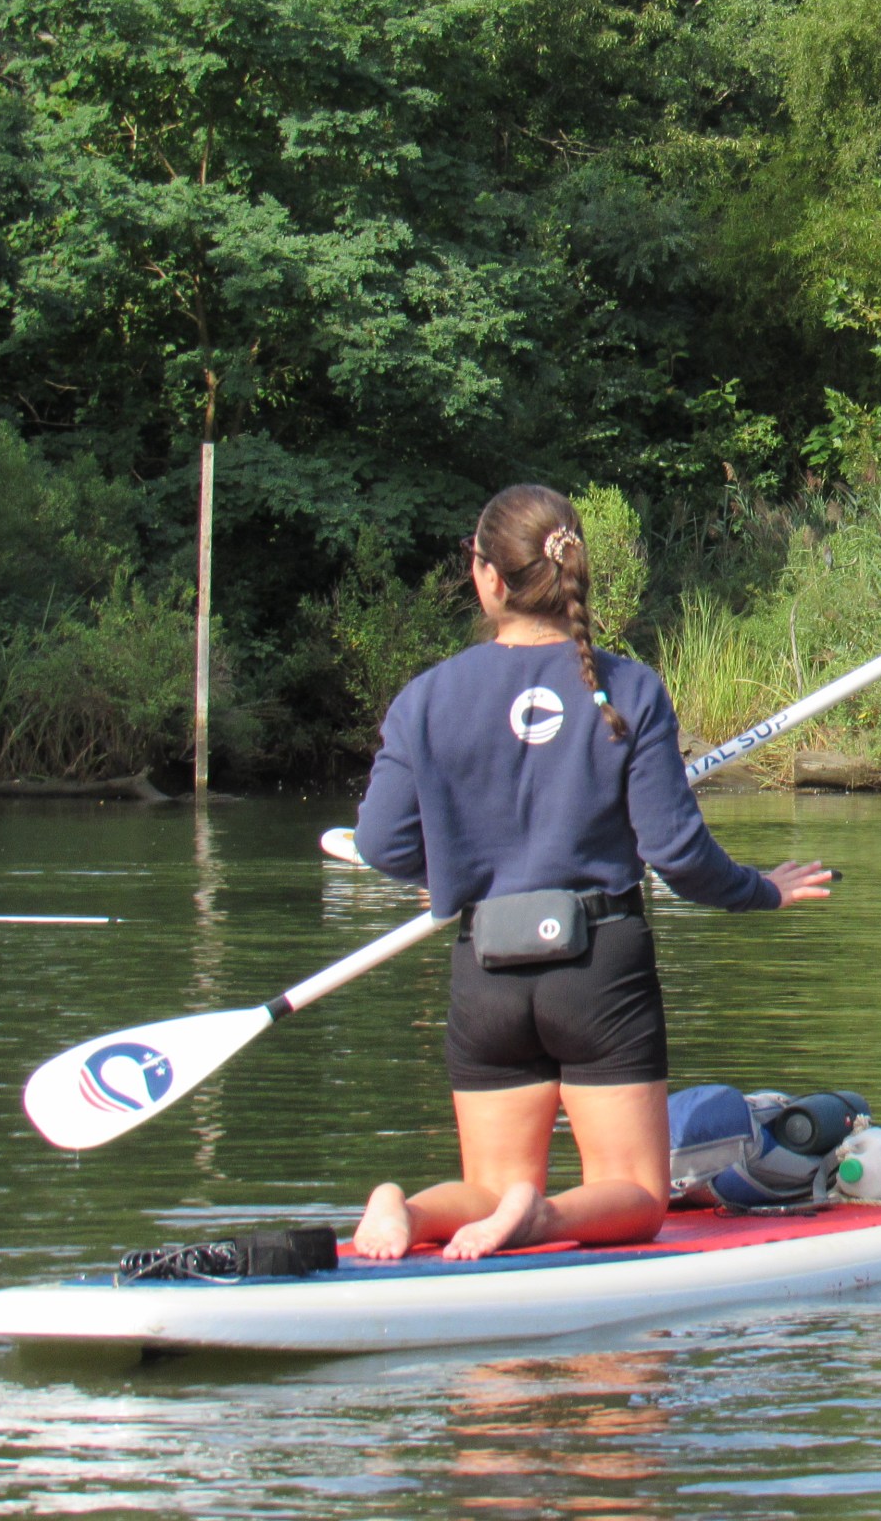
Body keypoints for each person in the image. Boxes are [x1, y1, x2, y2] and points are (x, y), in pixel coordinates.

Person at [349, 485, 832, 1262]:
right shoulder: (629, 688)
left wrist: (450, 869)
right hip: (599, 967)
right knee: (635, 1197)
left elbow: (380, 842)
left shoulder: (426, 698)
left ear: (488, 578)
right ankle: (535, 1219)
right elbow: (676, 855)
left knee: (488, 1180)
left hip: (487, 964)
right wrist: (761, 889)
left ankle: (405, 1206)